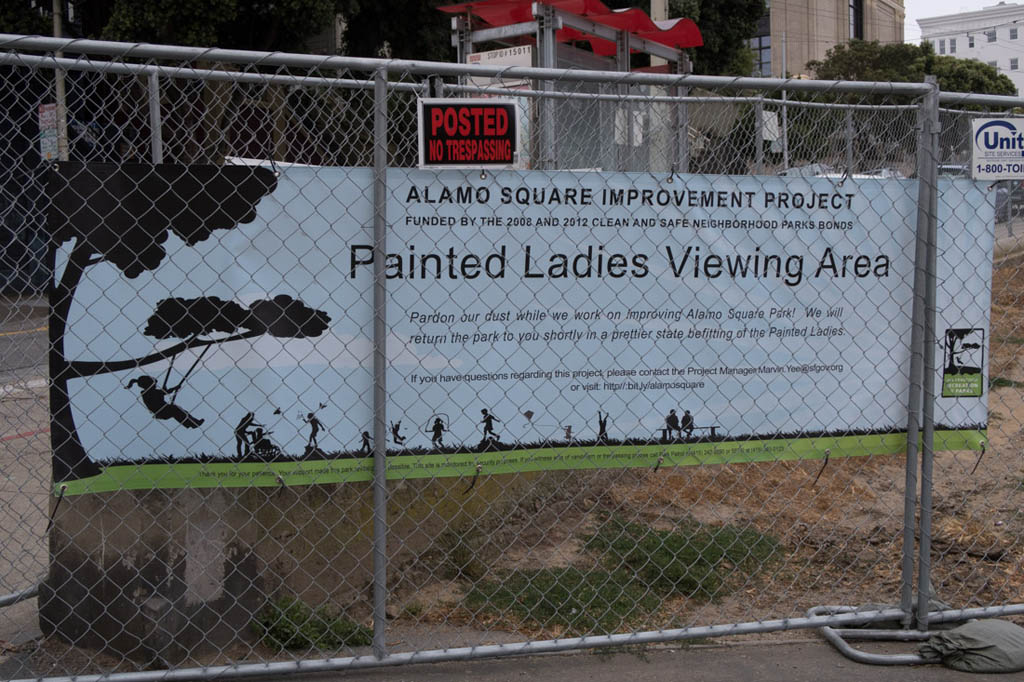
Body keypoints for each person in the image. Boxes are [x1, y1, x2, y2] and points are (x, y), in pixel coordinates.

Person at [126, 375, 204, 428]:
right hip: (162, 411)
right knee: (178, 411)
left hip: (163, 410)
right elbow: (165, 392)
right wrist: (173, 388)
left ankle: (192, 423)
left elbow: (164, 392)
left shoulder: (149, 392)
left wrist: (171, 389)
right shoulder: (149, 393)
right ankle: (192, 423)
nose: (155, 386)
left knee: (180, 411)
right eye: (154, 385)